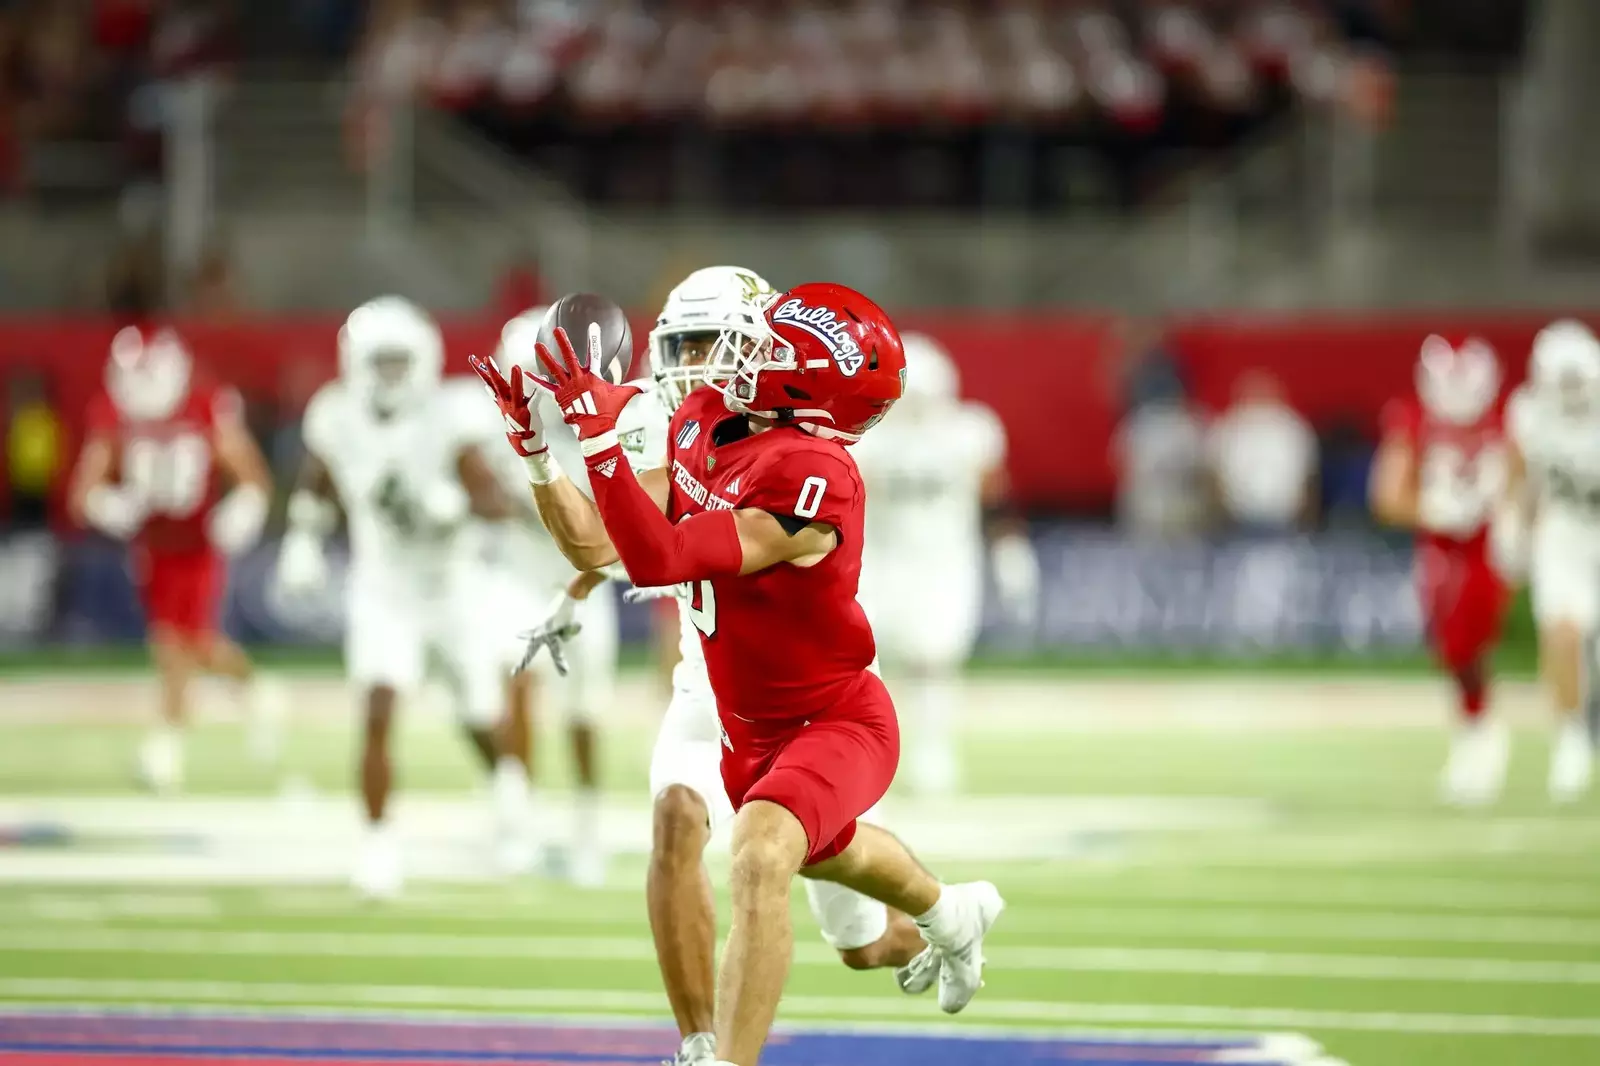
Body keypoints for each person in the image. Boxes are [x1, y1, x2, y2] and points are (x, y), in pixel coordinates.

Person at [473, 279, 1002, 1066]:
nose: (746, 357)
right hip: (740, 720)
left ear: (814, 388)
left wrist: (598, 439)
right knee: (830, 872)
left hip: (831, 720)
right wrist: (540, 454)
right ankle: (950, 913)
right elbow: (602, 545)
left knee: (762, 853)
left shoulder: (813, 477)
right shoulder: (706, 421)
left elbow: (659, 556)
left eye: (772, 349)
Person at [274, 296, 521, 898]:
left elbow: (496, 502)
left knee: (478, 715)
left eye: (397, 362)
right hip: (383, 588)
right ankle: (378, 846)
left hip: (450, 586)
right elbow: (317, 480)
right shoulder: (336, 415)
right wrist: (302, 539)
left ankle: (512, 794)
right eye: (378, 363)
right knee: (379, 706)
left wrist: (455, 506)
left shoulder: (449, 415)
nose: (388, 376)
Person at [69, 326, 278, 793]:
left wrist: (242, 510)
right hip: (153, 546)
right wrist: (110, 505)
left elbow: (252, 474)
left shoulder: (204, 406)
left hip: (199, 543)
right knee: (193, 646)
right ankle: (256, 691)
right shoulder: (112, 413)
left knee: (174, 646)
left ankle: (164, 751)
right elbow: (83, 491)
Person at [478, 306, 637, 886]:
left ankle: (587, 825)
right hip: (518, 574)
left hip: (585, 578)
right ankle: (516, 820)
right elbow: (478, 484)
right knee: (515, 683)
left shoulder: (602, 422)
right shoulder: (492, 421)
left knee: (584, 714)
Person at [851, 332, 1037, 795]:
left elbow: (995, 493)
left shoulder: (970, 432)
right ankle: (866, 753)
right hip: (881, 559)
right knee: (862, 663)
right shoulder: (867, 437)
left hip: (946, 562)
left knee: (934, 659)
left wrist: (1009, 550)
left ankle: (933, 750)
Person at [1370, 335, 1510, 805]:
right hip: (1439, 549)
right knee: (1448, 648)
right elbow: (1388, 496)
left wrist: (1514, 522)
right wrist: (1432, 509)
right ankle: (1475, 731)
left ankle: (1481, 734)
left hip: (1489, 549)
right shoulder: (1413, 419)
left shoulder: (1506, 422)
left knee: (1474, 641)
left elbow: (1521, 479)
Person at [1492, 320, 1600, 804]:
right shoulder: (1529, 412)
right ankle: (1572, 737)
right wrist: (1511, 527)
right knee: (1562, 632)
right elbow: (1519, 477)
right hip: (1562, 535)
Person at [1207, 370, 1319, 532]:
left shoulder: (1293, 427)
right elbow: (1215, 477)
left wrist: (1306, 521)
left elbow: (1309, 479)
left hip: (1285, 517)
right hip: (1238, 519)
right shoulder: (1229, 428)